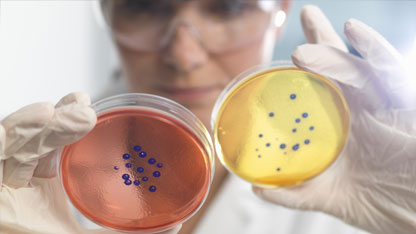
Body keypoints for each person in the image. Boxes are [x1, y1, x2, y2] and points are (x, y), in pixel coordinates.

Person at [1, 1, 416, 234]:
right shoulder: (23, 180)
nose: (184, 55)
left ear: (281, 9)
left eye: (228, 8)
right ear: (105, 11)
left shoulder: (346, 189)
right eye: (145, 6)